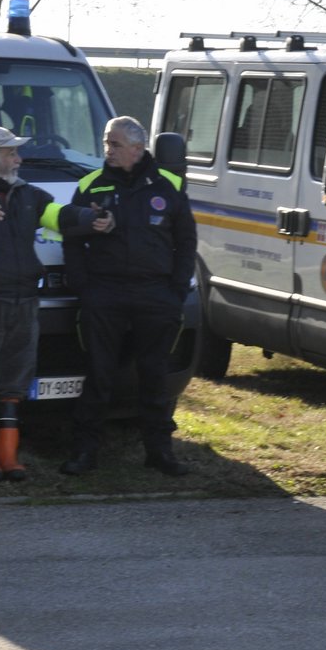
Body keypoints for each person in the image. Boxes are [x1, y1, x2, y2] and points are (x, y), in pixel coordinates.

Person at [0, 127, 110, 482]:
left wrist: (92, 220)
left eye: (16, 152)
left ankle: (9, 457)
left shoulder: (27, 194)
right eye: (11, 152)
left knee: (15, 380)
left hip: (25, 301)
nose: (19, 159)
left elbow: (58, 217)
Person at [60, 116, 196, 477]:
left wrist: (176, 290)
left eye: (115, 144)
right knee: (99, 375)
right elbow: (71, 237)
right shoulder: (91, 184)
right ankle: (85, 453)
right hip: (104, 294)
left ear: (138, 148)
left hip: (156, 295)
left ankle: (159, 452)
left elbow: (186, 242)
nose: (108, 150)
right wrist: (83, 287)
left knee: (155, 376)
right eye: (106, 142)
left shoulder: (169, 185)